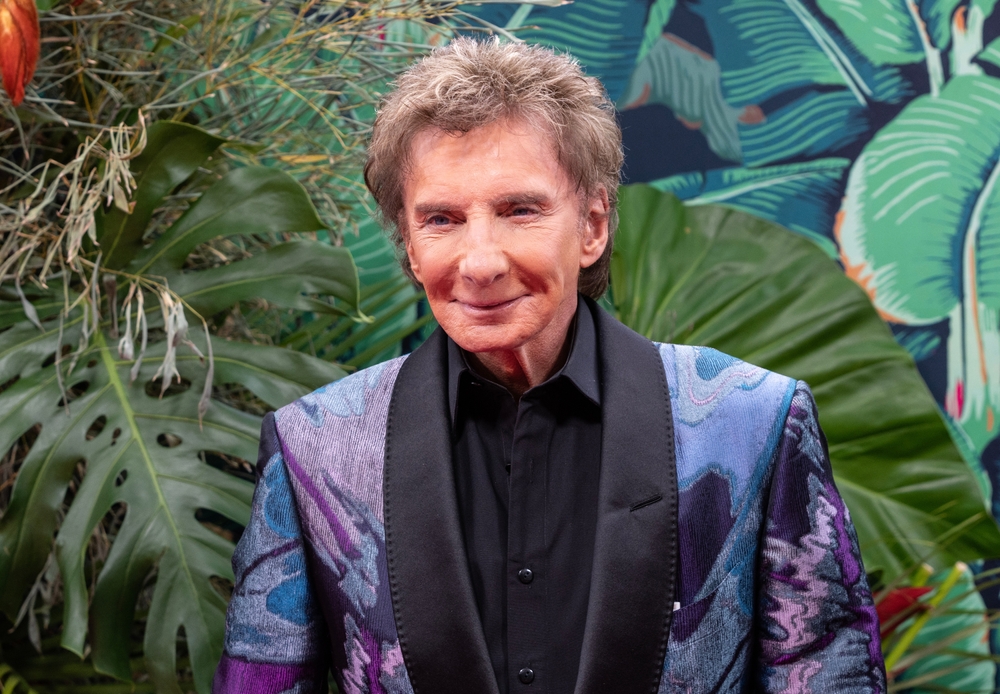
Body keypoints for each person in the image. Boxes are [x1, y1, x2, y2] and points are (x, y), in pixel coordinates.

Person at [212, 37, 886, 694]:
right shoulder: (313, 446)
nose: (480, 261)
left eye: (519, 210)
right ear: (411, 247)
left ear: (592, 225)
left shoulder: (752, 422)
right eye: (441, 219)